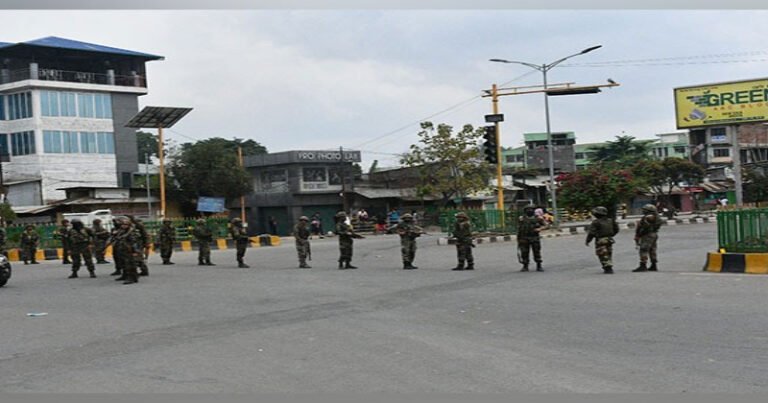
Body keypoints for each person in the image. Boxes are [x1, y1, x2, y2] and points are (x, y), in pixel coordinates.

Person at [585, 206, 619, 274]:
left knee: (602, 253)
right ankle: (609, 266)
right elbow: (616, 229)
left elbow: (591, 233)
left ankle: (607, 268)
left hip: (600, 240)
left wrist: (588, 240)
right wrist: (611, 235)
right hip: (609, 239)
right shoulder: (610, 220)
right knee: (609, 253)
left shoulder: (596, 222)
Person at [517, 206, 548, 272]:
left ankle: (539, 265)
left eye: (531, 209)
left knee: (536, 252)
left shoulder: (538, 218)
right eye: (528, 210)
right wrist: (519, 239)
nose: (529, 211)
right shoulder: (522, 218)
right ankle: (525, 266)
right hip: (524, 238)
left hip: (534, 237)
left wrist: (539, 229)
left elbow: (546, 225)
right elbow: (519, 229)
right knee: (524, 252)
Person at [112, 217, 141, 285]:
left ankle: (131, 277)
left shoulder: (131, 232)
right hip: (122, 250)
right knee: (123, 264)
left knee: (129, 264)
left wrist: (135, 251)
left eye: (125, 225)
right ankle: (125, 275)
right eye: (122, 224)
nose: (123, 226)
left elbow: (135, 243)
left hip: (129, 250)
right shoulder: (121, 231)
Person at [634, 204, 662, 272]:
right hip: (654, 234)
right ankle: (653, 265)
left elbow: (644, 227)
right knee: (652, 250)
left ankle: (643, 265)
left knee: (644, 249)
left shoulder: (647, 218)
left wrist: (639, 235)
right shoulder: (657, 217)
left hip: (647, 235)